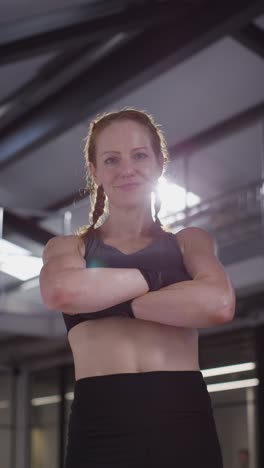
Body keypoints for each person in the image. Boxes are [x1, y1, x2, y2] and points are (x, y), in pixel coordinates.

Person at [40, 108, 236, 467]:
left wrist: (112, 302)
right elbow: (61, 293)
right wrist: (161, 280)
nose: (126, 169)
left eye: (139, 155)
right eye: (111, 159)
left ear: (160, 163)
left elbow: (219, 303)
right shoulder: (70, 247)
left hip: (184, 423)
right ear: (95, 172)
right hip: (101, 429)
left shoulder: (189, 241)